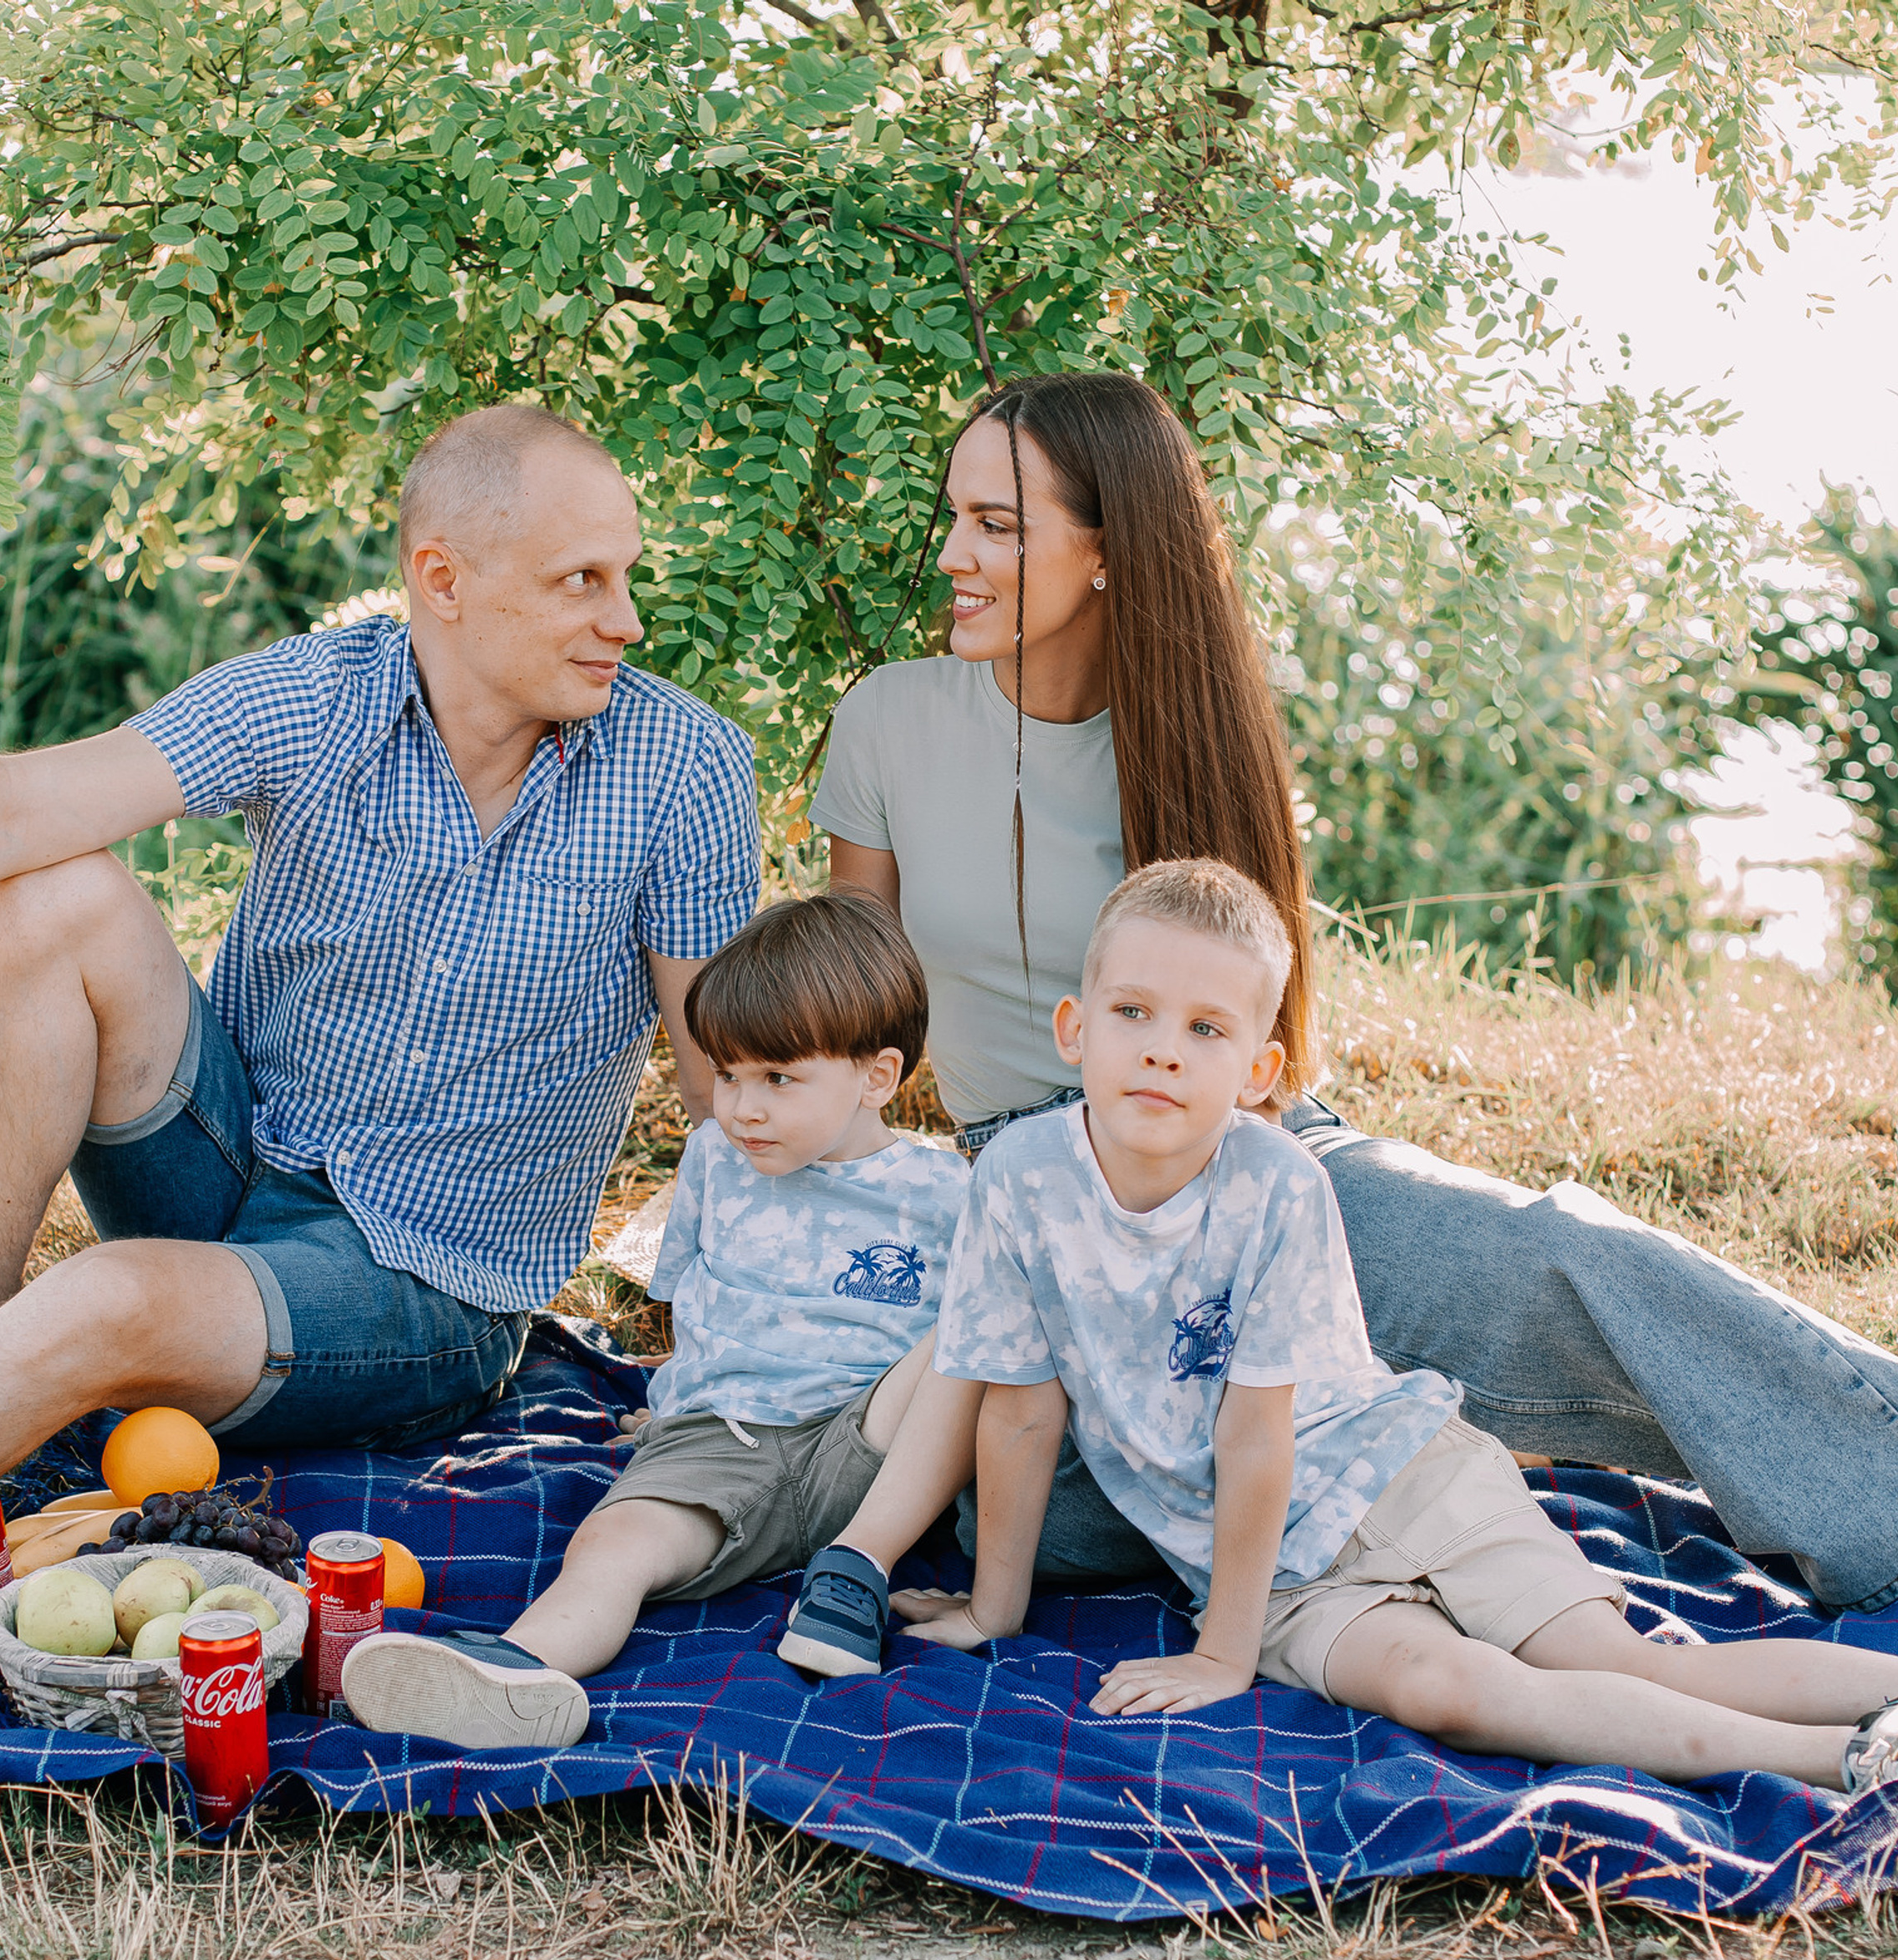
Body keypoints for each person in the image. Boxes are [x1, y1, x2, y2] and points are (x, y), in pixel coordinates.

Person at [807, 368, 1898, 1615]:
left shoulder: (1192, 728)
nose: (954, 553)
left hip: (1241, 1151)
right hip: (1032, 1189)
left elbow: (1261, 1040)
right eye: (954, 517)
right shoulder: (889, 722)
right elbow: (860, 1030)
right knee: (1043, 1510)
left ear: (1110, 551)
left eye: (998, 525)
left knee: (1550, 1254)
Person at [0, 405, 760, 1545]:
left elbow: (725, 1095)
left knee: (108, 1295)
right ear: (444, 580)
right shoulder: (320, 693)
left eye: (626, 575)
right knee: (43, 891)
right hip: (236, 1165)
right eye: (582, 579)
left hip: (427, 1286)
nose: (626, 619)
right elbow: (11, 803)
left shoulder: (684, 769)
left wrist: (754, 1362)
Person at [781, 860, 1898, 1795]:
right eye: (1133, 1013)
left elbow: (1257, 1436)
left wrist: (1223, 1656)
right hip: (1283, 1575)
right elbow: (1020, 1411)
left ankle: (1853, 1744)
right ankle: (1849, 1762)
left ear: (1260, 1072)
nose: (1162, 1049)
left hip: (1407, 1481)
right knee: (1446, 1695)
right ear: (1075, 1030)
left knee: (1619, 1660)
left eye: (1206, 1027)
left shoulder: (1275, 1187)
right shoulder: (1020, 1182)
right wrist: (995, 1607)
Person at [338, 893, 974, 1749]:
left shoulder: (946, 1194)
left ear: (877, 1076)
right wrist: (673, 1402)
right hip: (716, 1443)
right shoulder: (718, 1155)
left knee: (966, 1337)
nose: (743, 1106)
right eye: (729, 1073)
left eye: (778, 1078)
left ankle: (852, 1569)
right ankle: (517, 1672)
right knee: (613, 1543)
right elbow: (691, 1294)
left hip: (862, 1446)